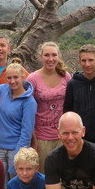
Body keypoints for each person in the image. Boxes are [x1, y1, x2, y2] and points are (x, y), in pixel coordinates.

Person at [63, 44, 95, 155]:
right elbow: (68, 111)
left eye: (91, 60)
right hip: (79, 140)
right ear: (79, 61)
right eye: (84, 60)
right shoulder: (73, 84)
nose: (87, 64)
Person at [26, 42, 71, 170]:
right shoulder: (32, 79)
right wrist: (33, 139)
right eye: (46, 55)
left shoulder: (65, 76)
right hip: (41, 137)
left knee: (64, 174)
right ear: (41, 57)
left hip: (63, 136)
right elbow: (27, 111)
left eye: (54, 55)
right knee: (45, 174)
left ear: (59, 56)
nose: (50, 59)